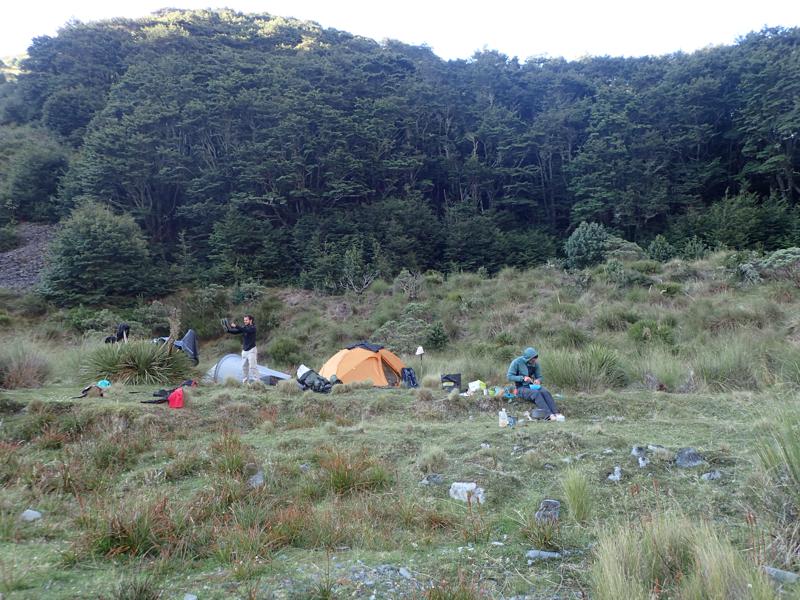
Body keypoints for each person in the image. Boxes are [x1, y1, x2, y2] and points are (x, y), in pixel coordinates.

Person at [507, 346, 563, 421]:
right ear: (528, 358)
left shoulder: (535, 364)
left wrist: (538, 380)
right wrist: (522, 378)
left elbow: (539, 376)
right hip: (520, 388)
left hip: (532, 386)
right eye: (532, 359)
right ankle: (548, 415)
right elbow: (509, 376)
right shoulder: (516, 362)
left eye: (535, 358)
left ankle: (556, 413)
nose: (534, 360)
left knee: (545, 392)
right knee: (536, 394)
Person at [225, 314, 258, 383]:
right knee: (244, 367)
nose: (245, 321)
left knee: (252, 367)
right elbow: (236, 332)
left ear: (250, 320)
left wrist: (236, 326)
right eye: (244, 320)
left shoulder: (253, 328)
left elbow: (246, 330)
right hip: (244, 351)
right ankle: (245, 383)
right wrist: (228, 330)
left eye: (246, 320)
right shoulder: (244, 327)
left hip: (251, 350)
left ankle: (257, 382)